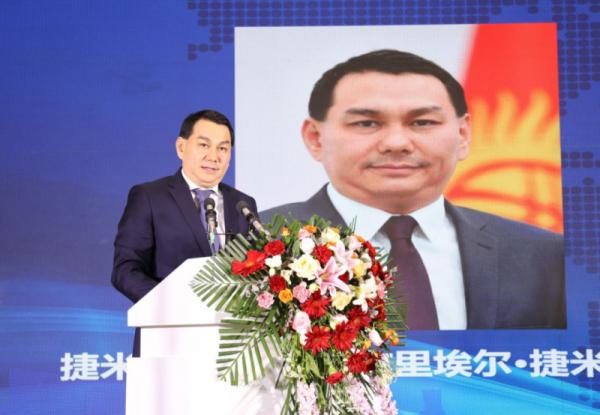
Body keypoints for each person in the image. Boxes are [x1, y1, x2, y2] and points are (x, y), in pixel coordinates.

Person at [261, 50, 565, 330]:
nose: (396, 143)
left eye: (422, 122)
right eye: (366, 123)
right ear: (315, 138)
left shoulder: (544, 257)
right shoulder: (255, 243)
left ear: (462, 136)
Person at [112, 109, 258, 354]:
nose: (214, 156)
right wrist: (174, 304)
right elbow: (125, 270)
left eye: (223, 148)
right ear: (181, 147)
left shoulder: (243, 204)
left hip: (233, 347)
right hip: (167, 338)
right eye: (204, 145)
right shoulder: (149, 197)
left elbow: (256, 268)